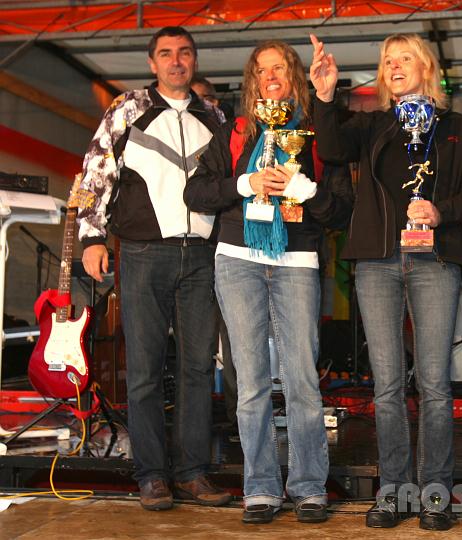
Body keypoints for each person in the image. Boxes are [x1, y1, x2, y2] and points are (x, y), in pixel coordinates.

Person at [310, 33, 462, 531]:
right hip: (379, 262)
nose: (394, 66)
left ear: (426, 67)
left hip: (435, 261)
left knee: (433, 384)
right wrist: (325, 97)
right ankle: (394, 491)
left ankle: (434, 494)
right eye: (387, 60)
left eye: (404, 57)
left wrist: (440, 210)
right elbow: (331, 146)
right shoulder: (372, 124)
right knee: (385, 385)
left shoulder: (454, 126)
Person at [184, 40, 353, 524]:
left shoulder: (319, 131)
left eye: (278, 68)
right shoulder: (236, 131)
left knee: (301, 377)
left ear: (294, 74)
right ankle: (259, 487)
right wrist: (246, 185)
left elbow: (341, 211)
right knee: (251, 381)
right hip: (236, 258)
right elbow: (194, 190)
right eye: (260, 70)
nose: (269, 76)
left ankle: (308, 487)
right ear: (252, 81)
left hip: (297, 259)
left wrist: (303, 190)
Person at [78, 26, 231, 511]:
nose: (176, 61)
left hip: (204, 254)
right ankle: (150, 474)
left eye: (184, 52)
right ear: (152, 63)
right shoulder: (127, 108)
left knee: (196, 366)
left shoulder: (216, 115)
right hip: (144, 251)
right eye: (166, 53)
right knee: (143, 369)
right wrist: (92, 237)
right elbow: (95, 170)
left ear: (194, 59)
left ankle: (190, 473)